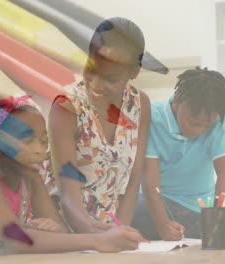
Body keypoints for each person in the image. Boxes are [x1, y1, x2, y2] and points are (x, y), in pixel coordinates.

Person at [0, 95, 144, 263]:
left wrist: (112, 232)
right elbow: (16, 239)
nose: (40, 150)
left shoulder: (31, 179)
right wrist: (98, 241)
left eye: (43, 141)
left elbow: (61, 230)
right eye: (27, 141)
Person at [43, 17, 151, 233]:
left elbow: (133, 181)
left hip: (104, 236)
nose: (96, 84)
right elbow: (69, 200)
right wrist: (105, 239)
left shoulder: (140, 105)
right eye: (91, 69)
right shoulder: (67, 108)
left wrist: (121, 231)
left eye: (111, 79)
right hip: (59, 231)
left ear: (134, 73)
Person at [132, 67, 225, 240]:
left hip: (198, 207)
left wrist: (218, 219)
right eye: (194, 122)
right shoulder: (151, 117)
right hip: (156, 203)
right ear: (177, 101)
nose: (200, 131)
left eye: (207, 126)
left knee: (207, 230)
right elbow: (150, 183)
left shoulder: (219, 119)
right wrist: (163, 225)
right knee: (135, 215)